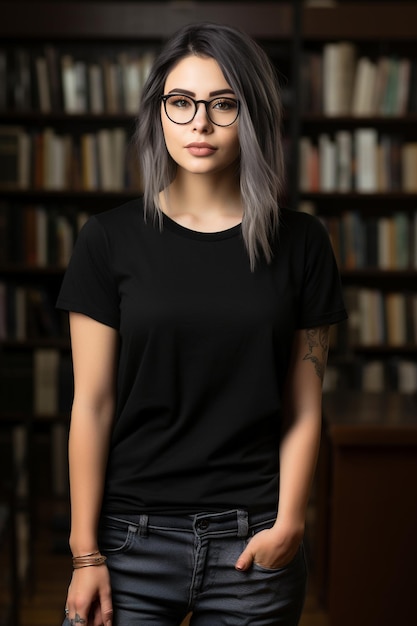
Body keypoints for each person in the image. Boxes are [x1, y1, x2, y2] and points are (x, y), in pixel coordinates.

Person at [57, 21, 347, 626]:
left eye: (224, 104)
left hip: (252, 544)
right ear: (158, 114)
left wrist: (290, 522)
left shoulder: (303, 243)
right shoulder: (108, 240)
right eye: (181, 103)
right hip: (128, 540)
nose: (201, 124)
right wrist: (86, 553)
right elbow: (93, 404)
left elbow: (304, 406)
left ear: (254, 113)